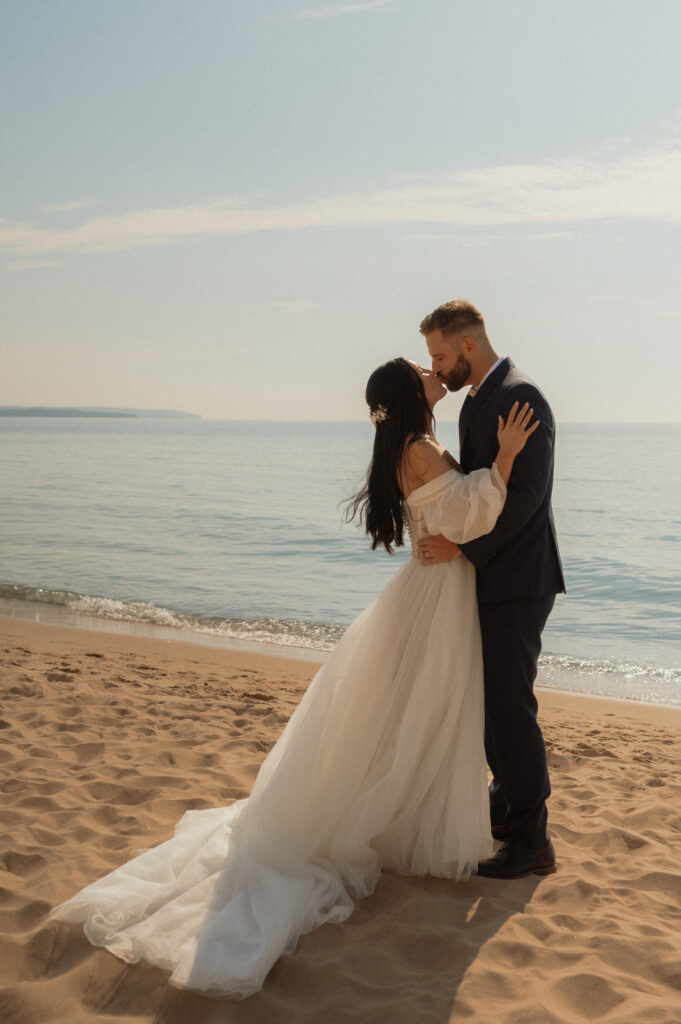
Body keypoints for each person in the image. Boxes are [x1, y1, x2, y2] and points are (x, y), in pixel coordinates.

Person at [50, 358, 538, 999]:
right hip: (436, 595)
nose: (430, 369)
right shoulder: (418, 448)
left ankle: (404, 813)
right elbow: (474, 515)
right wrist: (504, 459)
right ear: (407, 393)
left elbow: (452, 517)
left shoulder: (412, 445)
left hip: (433, 590)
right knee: (426, 708)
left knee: (422, 710)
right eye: (422, 367)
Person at [418, 300, 565, 879]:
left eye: (440, 355)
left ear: (468, 347)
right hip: (489, 578)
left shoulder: (521, 397)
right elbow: (477, 487)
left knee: (510, 708)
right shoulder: (479, 399)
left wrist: (464, 550)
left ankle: (533, 842)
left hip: (520, 580)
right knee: (491, 706)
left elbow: (526, 500)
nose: (438, 366)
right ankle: (505, 807)